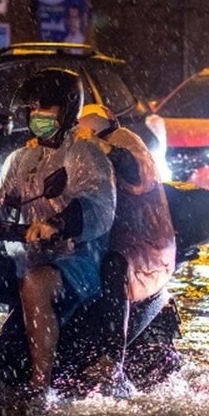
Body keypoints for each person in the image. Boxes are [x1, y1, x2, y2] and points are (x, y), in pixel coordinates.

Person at [0, 68, 116, 391]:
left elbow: (98, 205)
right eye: (31, 110)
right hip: (27, 255)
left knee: (35, 284)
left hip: (75, 261)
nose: (36, 116)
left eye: (45, 109)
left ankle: (39, 386)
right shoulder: (21, 159)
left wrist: (58, 224)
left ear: (67, 109)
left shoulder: (83, 154)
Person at [75, 103, 176, 317]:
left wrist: (101, 146)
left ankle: (112, 348)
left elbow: (138, 173)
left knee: (113, 267)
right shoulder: (73, 151)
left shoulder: (122, 139)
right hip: (90, 236)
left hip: (139, 243)